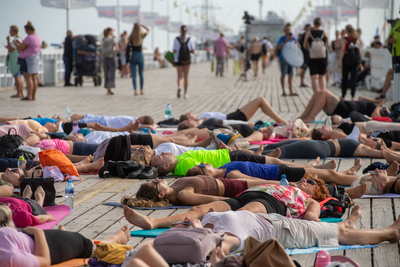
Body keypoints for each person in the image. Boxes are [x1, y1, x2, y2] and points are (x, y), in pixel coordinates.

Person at [123, 174, 330, 230]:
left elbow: (311, 216)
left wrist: (316, 222)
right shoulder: (289, 185)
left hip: (273, 203)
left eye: (310, 182)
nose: (305, 180)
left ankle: (205, 230)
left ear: (316, 191)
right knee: (200, 209)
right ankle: (154, 222)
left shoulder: (311, 201)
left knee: (243, 215)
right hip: (245, 195)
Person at [0, 206, 131, 266]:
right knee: (83, 245)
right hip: (43, 241)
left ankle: (114, 239)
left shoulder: (8, 255)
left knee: (83, 244)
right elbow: (44, 261)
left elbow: (44, 261)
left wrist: (36, 232)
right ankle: (114, 239)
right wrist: (37, 232)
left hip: (45, 241)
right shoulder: (9, 256)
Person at [122, 176, 277, 207]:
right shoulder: (183, 194)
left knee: (277, 181)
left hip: (230, 180)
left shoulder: (176, 186)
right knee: (277, 184)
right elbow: (218, 200)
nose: (157, 179)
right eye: (155, 183)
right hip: (236, 188)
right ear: (160, 195)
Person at [187, 160, 363, 187]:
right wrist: (285, 183)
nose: (203, 163)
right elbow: (255, 180)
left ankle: (351, 174)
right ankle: (363, 180)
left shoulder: (225, 166)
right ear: (206, 176)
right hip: (282, 175)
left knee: (328, 174)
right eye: (201, 167)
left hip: (280, 170)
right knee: (330, 176)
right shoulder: (230, 175)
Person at [179, 96, 288, 125]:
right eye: (187, 114)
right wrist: (198, 123)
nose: (190, 112)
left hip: (231, 115)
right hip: (233, 118)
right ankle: (281, 121)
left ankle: (281, 121)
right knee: (260, 100)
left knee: (260, 101)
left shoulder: (200, 117)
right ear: (189, 118)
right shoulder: (200, 118)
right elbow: (201, 120)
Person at [298, 89, 383, 122]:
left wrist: (378, 105)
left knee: (323, 93)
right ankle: (303, 116)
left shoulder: (377, 111)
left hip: (347, 111)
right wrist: (375, 101)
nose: (385, 109)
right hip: (345, 105)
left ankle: (311, 117)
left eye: (386, 111)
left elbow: (374, 117)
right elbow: (360, 98)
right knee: (318, 92)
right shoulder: (374, 105)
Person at [15, 21, 41, 101]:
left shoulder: (29, 37)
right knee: (34, 78)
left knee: (28, 78)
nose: (26, 32)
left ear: (28, 30)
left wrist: (16, 44)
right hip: (35, 58)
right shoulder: (37, 37)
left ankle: (29, 96)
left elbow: (22, 48)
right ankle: (33, 96)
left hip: (27, 58)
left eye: (26, 30)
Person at [303, 17, 329, 92]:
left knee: (314, 77)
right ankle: (323, 94)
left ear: (313, 24)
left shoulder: (309, 33)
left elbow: (304, 46)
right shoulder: (325, 33)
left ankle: (316, 94)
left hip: (312, 57)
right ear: (321, 24)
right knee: (322, 76)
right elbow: (327, 45)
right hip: (323, 57)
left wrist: (311, 49)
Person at [339, 25, 362, 100]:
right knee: (353, 79)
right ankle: (353, 96)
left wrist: (340, 61)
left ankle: (343, 96)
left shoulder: (345, 39)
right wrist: (360, 62)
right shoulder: (356, 39)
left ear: (347, 31)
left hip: (346, 59)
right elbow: (359, 52)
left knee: (345, 78)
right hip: (355, 61)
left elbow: (343, 50)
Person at [126, 24, 150, 96]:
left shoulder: (131, 36)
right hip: (140, 55)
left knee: (134, 74)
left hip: (133, 55)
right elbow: (148, 30)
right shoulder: (141, 35)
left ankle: (135, 90)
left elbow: (127, 45)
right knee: (141, 73)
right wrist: (142, 25)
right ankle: (142, 90)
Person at [173, 25, 195, 99]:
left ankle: (179, 86)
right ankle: (185, 93)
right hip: (187, 60)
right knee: (186, 76)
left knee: (179, 76)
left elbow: (174, 50)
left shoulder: (176, 39)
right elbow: (193, 50)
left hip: (178, 60)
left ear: (180, 30)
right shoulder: (189, 39)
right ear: (186, 31)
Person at [278, 23, 299, 96]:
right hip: (283, 58)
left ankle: (291, 90)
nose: (288, 31)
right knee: (283, 74)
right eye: (287, 29)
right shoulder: (282, 38)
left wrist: (296, 43)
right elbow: (280, 47)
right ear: (284, 30)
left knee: (291, 75)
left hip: (291, 59)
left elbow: (299, 48)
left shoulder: (294, 38)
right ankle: (283, 91)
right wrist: (287, 40)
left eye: (289, 29)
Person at [5, 25, 23, 98]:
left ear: (14, 32)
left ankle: (19, 93)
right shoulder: (20, 38)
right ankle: (20, 92)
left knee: (16, 76)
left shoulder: (16, 40)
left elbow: (10, 50)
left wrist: (8, 41)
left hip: (15, 58)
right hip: (18, 57)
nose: (9, 32)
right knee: (18, 77)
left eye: (10, 31)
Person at [101, 27, 119, 95]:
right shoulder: (113, 39)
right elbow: (117, 49)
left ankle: (107, 89)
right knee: (112, 73)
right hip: (111, 57)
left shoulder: (103, 39)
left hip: (105, 57)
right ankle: (110, 88)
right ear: (110, 32)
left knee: (106, 73)